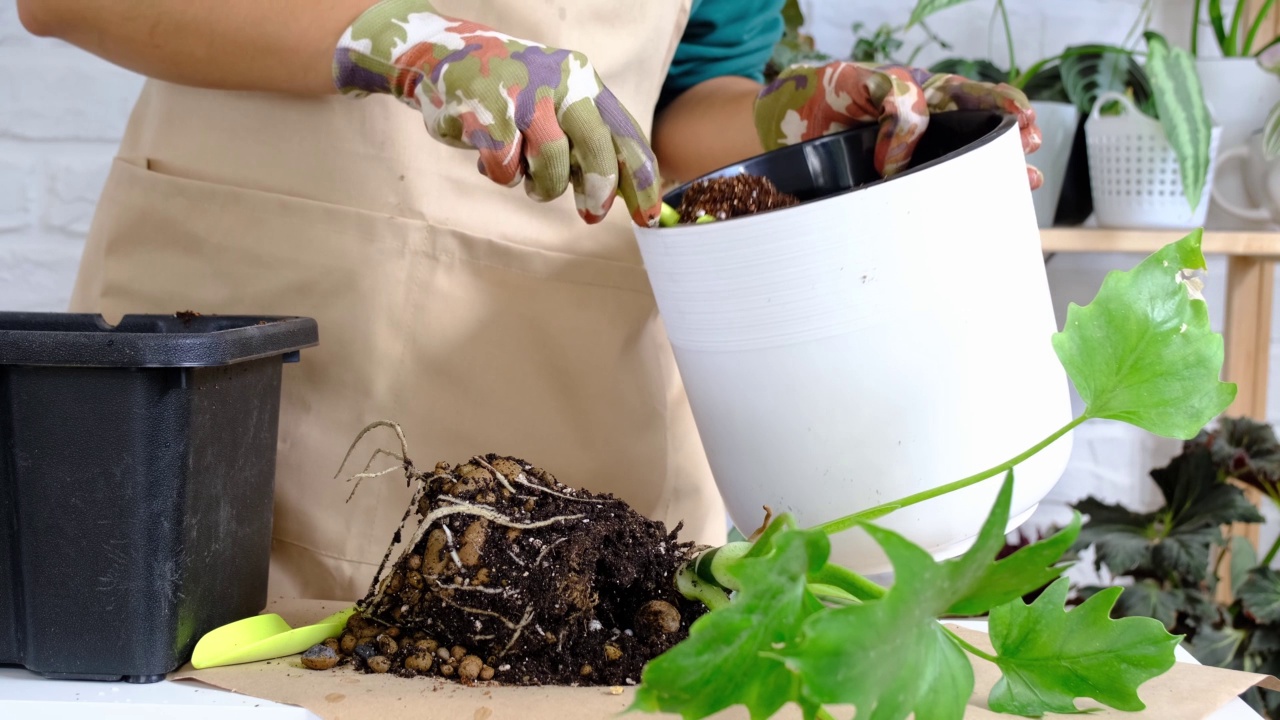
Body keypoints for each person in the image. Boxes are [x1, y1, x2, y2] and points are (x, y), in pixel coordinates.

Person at [17, 0, 1040, 602]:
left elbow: (672, 113)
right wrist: (403, 40)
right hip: (247, 366)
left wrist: (791, 117)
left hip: (558, 408)